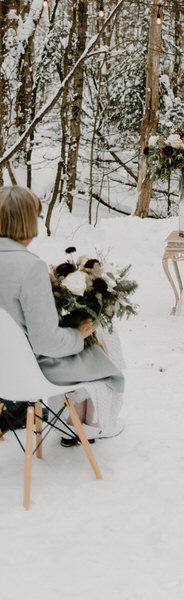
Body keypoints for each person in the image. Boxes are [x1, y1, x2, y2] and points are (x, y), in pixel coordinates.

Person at [0, 185, 124, 445]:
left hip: (4, 369)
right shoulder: (29, 266)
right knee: (101, 341)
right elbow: (47, 343)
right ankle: (88, 425)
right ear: (27, 220)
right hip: (30, 372)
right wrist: (79, 334)